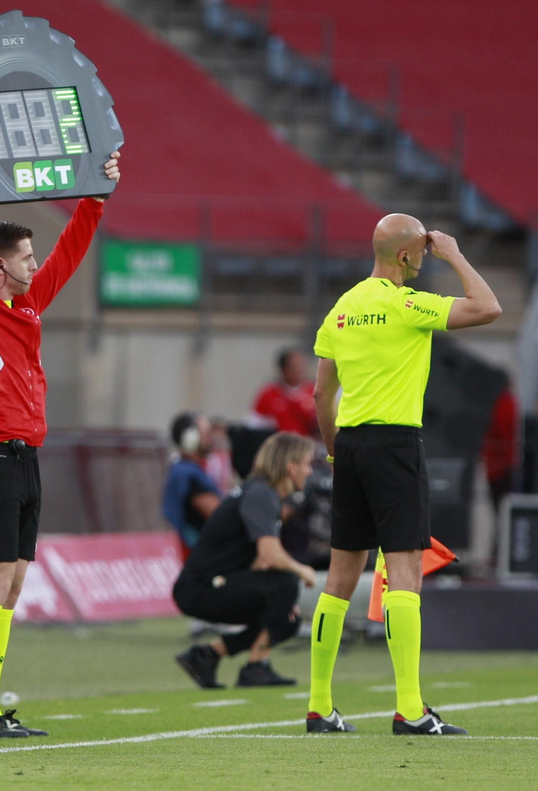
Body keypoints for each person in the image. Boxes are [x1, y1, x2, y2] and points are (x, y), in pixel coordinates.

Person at [0, 152, 121, 740]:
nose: (37, 265)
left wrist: (97, 196)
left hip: (22, 459)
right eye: (25, 259)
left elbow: (70, 253)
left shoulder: (28, 305)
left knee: (10, 585)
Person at [307, 213, 501, 735]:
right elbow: (489, 307)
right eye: (420, 253)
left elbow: (322, 394)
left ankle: (319, 706)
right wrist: (455, 254)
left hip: (348, 445)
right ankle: (410, 709)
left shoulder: (342, 308)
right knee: (405, 570)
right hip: (395, 445)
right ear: (408, 256)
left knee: (340, 577)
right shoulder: (409, 306)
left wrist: (334, 453)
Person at [173, 432, 319, 690]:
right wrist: (302, 571)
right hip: (199, 588)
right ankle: (255, 668)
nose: (309, 471)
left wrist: (280, 603)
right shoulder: (261, 494)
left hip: (213, 583)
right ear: (291, 467)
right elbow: (270, 555)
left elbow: (258, 560)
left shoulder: (263, 493)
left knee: (287, 620)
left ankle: (207, 655)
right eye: (307, 464)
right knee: (286, 582)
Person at [159, 412, 221, 549]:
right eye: (206, 434)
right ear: (190, 439)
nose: (211, 439)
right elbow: (221, 515)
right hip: (200, 557)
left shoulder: (188, 470)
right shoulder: (188, 475)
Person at [248, 348, 318, 435]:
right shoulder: (268, 394)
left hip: (308, 444)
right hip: (279, 444)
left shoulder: (315, 391)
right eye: (295, 366)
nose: (300, 370)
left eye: (302, 366)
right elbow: (254, 424)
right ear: (283, 369)